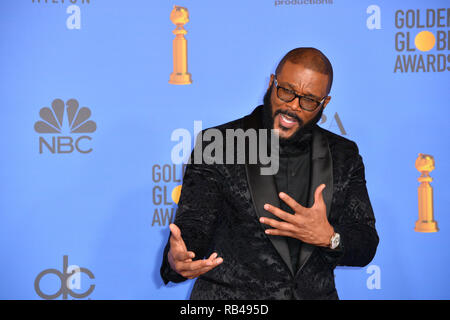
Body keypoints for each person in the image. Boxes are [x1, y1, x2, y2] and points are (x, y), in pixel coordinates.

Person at [160, 47, 379, 300]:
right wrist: (179, 259)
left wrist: (330, 238)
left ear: (324, 103)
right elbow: (194, 227)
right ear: (272, 82)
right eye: (286, 91)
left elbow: (366, 243)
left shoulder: (343, 154)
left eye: (308, 100)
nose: (293, 107)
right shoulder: (219, 144)